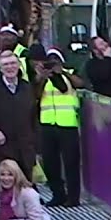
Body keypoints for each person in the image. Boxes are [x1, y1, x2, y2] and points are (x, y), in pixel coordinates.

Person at [36, 49, 84, 207]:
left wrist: (62, 72)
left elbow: (80, 84)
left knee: (71, 164)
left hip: (67, 124)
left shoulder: (69, 73)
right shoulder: (43, 77)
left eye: (55, 60)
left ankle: (73, 197)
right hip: (47, 124)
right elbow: (35, 95)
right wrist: (42, 77)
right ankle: (58, 194)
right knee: (50, 163)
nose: (51, 63)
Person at [0, 51, 38, 184]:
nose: (10, 67)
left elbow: (33, 117)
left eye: (13, 63)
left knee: (25, 193)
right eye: (5, 64)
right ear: (0, 68)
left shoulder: (27, 87)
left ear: (18, 65)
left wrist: (35, 143)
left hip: (25, 150)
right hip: (3, 150)